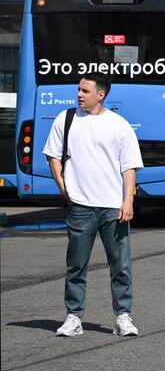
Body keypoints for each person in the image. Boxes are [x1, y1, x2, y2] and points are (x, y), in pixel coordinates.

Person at [43, 76, 144, 337]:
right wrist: (64, 188)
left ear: (100, 95)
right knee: (76, 265)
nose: (79, 94)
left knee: (120, 265)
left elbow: (129, 166)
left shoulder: (119, 126)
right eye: (78, 89)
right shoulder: (65, 120)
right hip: (80, 207)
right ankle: (73, 317)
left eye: (85, 91)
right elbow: (52, 155)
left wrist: (128, 200)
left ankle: (123, 317)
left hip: (113, 207)